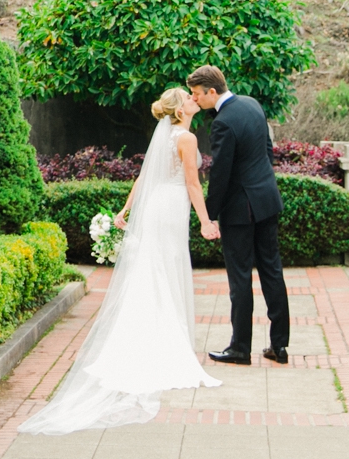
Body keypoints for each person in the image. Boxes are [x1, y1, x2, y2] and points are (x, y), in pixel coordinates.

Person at [19, 87, 220, 436]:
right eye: (187, 97)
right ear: (179, 109)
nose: (193, 99)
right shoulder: (185, 138)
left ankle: (147, 339)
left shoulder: (168, 137)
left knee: (153, 268)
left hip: (157, 204)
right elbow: (191, 182)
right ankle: (164, 346)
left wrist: (125, 210)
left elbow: (144, 178)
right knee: (165, 268)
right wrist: (205, 220)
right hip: (171, 206)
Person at [187, 64, 290, 366]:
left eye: (197, 95)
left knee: (240, 278)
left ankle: (240, 348)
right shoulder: (252, 104)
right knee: (272, 271)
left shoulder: (223, 122)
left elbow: (221, 174)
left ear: (212, 92)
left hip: (239, 210)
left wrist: (210, 213)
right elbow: (268, 151)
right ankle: (279, 346)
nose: (196, 100)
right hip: (267, 200)